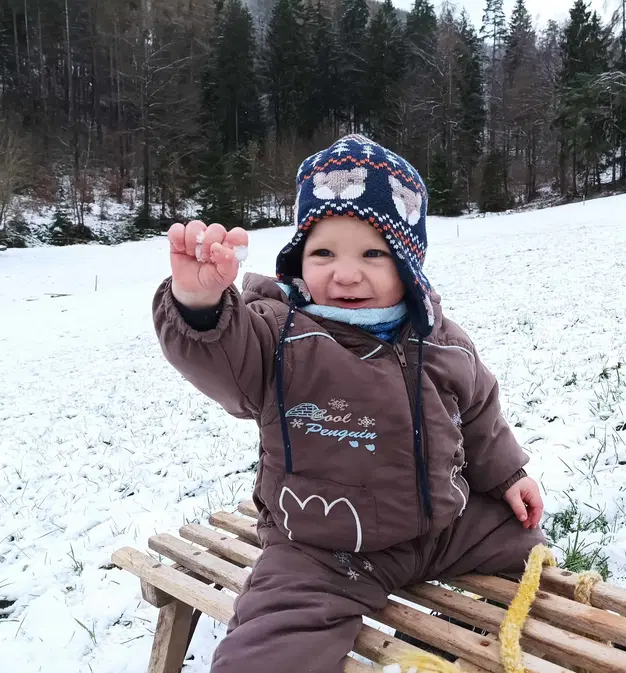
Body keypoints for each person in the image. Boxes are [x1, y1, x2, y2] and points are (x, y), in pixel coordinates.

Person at [153, 134, 546, 673]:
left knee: (522, 541)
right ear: (298, 258)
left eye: (372, 254)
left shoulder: (441, 339)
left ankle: (558, 646)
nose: (345, 273)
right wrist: (199, 305)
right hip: (321, 547)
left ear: (408, 264)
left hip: (437, 530)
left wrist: (506, 475)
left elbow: (478, 413)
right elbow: (223, 361)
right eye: (323, 253)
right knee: (271, 646)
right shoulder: (277, 334)